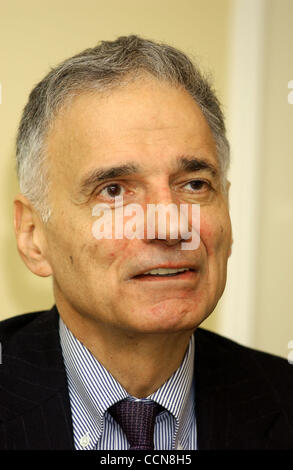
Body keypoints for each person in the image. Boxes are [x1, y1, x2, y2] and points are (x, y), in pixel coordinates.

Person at [0, 35, 292, 451]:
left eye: (194, 184)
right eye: (114, 190)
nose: (170, 226)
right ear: (33, 237)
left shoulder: (283, 398)